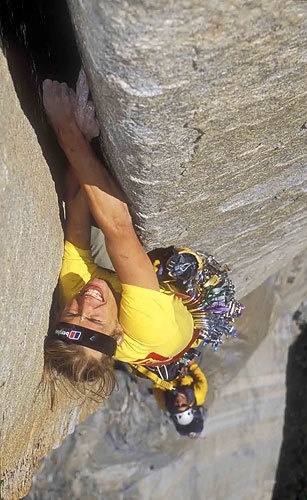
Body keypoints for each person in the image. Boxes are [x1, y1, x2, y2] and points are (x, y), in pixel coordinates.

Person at [42, 70, 196, 404]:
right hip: (178, 329)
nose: (86, 301)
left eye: (72, 313)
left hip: (139, 319)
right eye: (95, 318)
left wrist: (85, 137)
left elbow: (76, 209)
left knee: (89, 203)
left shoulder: (77, 295)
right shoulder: (145, 324)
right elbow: (119, 226)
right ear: (117, 330)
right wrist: (67, 130)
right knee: (130, 240)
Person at [152, 360, 208, 437]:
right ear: (188, 404)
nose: (179, 403)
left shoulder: (164, 403)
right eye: (183, 405)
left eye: (177, 406)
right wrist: (190, 363)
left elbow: (156, 384)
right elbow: (199, 376)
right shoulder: (198, 394)